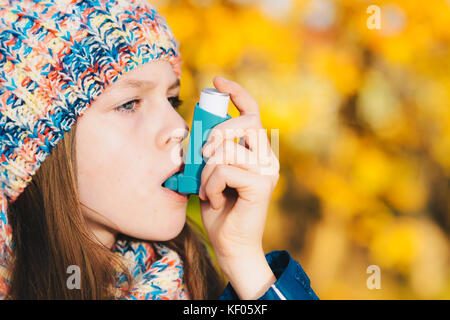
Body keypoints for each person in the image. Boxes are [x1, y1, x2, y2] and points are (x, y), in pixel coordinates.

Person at [0, 0, 319, 300]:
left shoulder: (192, 283)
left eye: (172, 100)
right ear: (32, 148)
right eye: (129, 104)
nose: (179, 128)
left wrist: (243, 260)